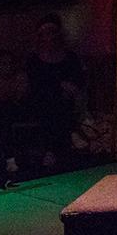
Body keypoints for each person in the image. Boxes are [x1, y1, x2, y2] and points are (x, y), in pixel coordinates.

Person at [26, 13, 86, 166]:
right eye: (45, 33)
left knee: (59, 103)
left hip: (66, 100)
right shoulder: (33, 60)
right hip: (39, 101)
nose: (49, 37)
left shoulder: (70, 57)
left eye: (52, 32)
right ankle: (70, 132)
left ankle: (52, 150)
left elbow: (79, 80)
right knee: (51, 101)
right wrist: (59, 85)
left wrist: (71, 88)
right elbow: (34, 84)